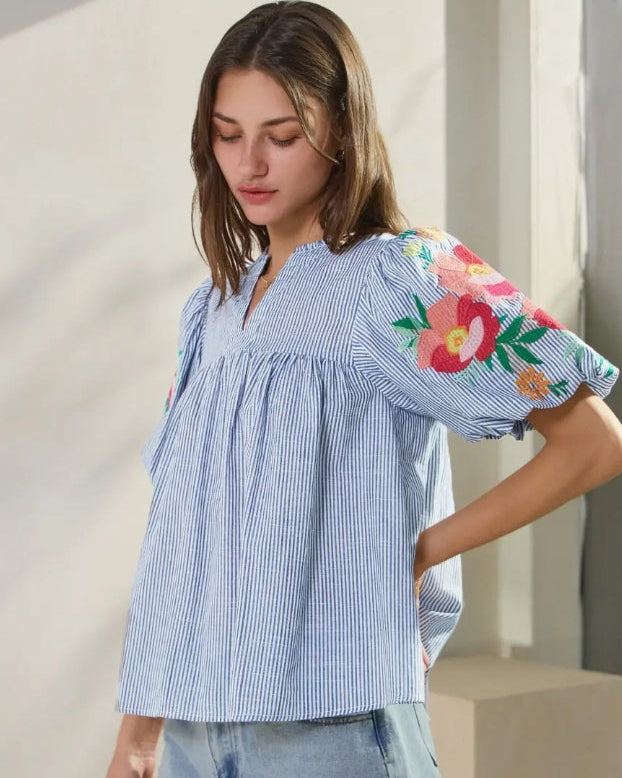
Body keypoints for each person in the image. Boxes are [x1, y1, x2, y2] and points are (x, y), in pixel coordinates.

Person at [104, 2, 622, 777]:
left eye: (282, 137)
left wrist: (420, 552)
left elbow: (593, 443)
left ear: (341, 132)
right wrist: (139, 737)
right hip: (191, 730)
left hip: (336, 731)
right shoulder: (211, 309)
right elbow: (181, 536)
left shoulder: (400, 278)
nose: (249, 164)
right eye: (227, 134)